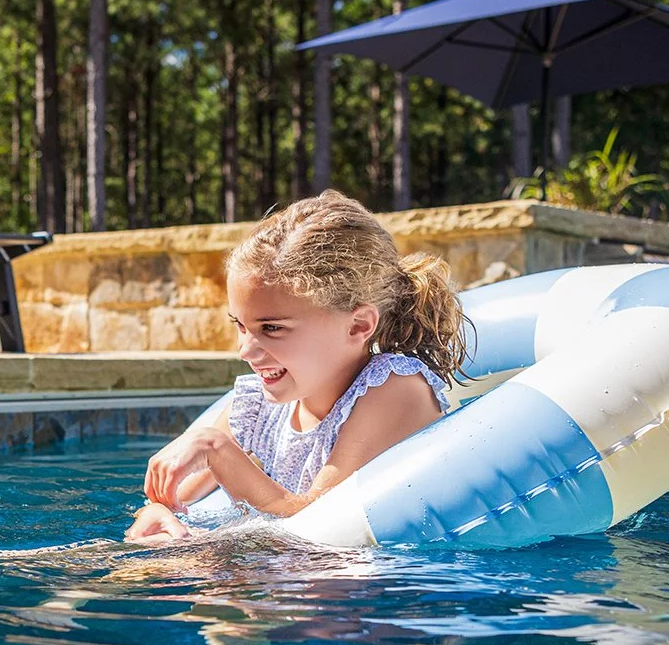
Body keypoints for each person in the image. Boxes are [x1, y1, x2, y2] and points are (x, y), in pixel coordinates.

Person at [128, 190, 468, 543]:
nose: (244, 349)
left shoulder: (395, 387)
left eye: (271, 328)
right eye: (240, 326)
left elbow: (318, 521)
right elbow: (172, 494)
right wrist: (155, 511)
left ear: (358, 326)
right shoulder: (257, 406)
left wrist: (216, 449)